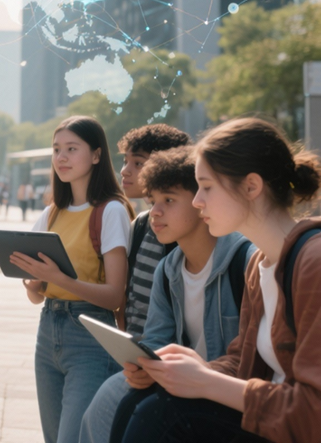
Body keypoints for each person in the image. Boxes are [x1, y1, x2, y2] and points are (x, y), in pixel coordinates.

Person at [115, 117, 321, 443]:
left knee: (163, 415)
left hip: (291, 427)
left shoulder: (313, 262)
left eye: (207, 187)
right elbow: (243, 362)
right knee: (138, 402)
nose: (198, 202)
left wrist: (205, 382)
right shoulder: (259, 263)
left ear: (252, 186)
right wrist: (194, 368)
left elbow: (314, 413)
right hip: (270, 421)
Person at [79, 146, 254, 443]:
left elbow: (255, 360)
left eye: (169, 200)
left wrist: (199, 373)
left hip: (231, 394)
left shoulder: (245, 260)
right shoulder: (168, 269)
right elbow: (156, 340)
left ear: (201, 202)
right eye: (152, 201)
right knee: (110, 394)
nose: (155, 212)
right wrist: (143, 367)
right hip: (182, 384)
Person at [9, 115, 134, 443]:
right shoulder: (50, 213)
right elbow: (36, 297)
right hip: (47, 333)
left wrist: (58, 278)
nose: (61, 157)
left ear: (96, 155)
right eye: (56, 149)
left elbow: (114, 296)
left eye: (71, 149)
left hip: (92, 337)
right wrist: (36, 283)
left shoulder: (111, 211)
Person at [117, 124, 191, 336]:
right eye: (125, 162)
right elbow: (129, 296)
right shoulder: (140, 224)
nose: (125, 171)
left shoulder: (187, 229)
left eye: (138, 163)